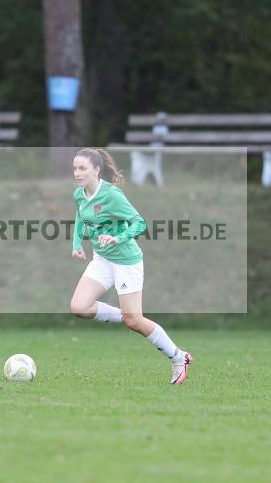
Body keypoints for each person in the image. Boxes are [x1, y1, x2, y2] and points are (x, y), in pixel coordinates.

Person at [69, 148, 193, 385]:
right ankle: (127, 316)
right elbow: (79, 216)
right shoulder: (79, 194)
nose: (77, 173)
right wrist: (77, 244)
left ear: (97, 169)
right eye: (75, 168)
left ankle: (179, 357)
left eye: (82, 168)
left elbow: (139, 223)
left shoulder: (113, 196)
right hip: (102, 260)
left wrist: (118, 238)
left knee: (135, 321)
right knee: (79, 307)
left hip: (126, 261)